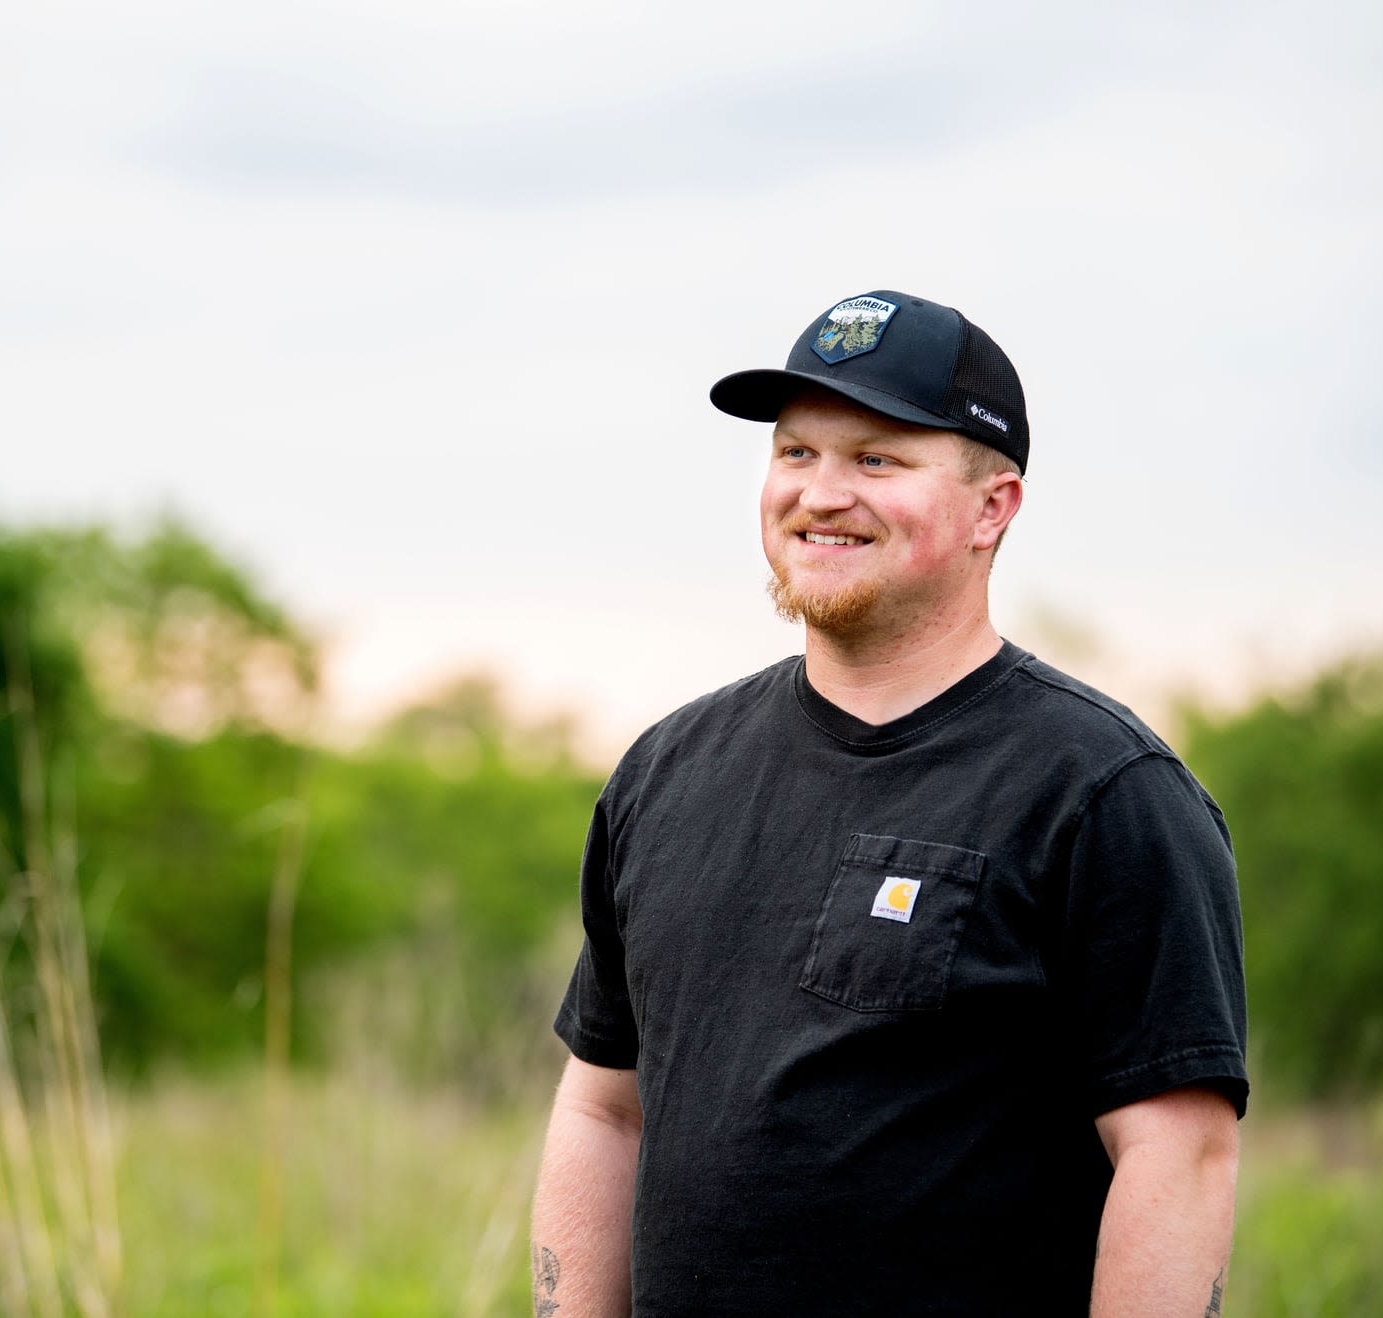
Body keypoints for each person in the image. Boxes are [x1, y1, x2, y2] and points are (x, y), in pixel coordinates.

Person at [531, 290, 1247, 1316]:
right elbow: (606, 1107)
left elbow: (1179, 1152)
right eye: (796, 453)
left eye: (876, 460)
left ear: (992, 508)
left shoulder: (1104, 792)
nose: (822, 493)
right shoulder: (666, 770)